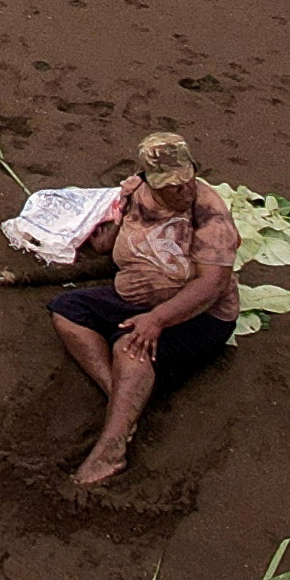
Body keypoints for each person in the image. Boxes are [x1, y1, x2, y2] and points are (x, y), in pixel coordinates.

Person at [45, 131, 242, 488]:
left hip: (201, 314)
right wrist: (110, 223)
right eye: (170, 186)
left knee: (130, 345)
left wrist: (157, 319)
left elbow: (211, 285)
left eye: (186, 181)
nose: (182, 191)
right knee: (66, 311)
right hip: (136, 293)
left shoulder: (211, 215)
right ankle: (119, 400)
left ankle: (111, 450)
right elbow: (109, 243)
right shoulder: (135, 194)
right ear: (149, 181)